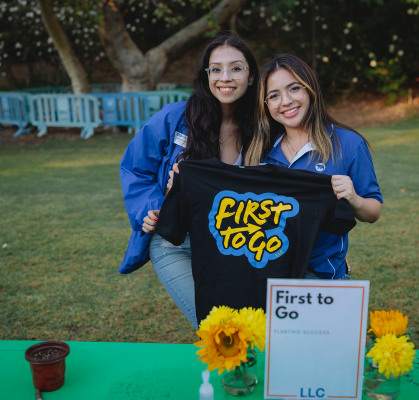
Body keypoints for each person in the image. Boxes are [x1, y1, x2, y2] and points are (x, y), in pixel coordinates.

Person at [119, 35, 258, 329]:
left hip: (231, 245)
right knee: (220, 330)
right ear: (206, 75)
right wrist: (154, 207)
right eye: (216, 69)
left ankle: (246, 375)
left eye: (236, 68)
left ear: (252, 76)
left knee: (248, 324)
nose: (225, 78)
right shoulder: (175, 117)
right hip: (176, 242)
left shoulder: (262, 129)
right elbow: (135, 169)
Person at [244, 54, 383, 280]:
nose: (286, 101)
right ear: (266, 104)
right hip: (265, 277)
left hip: (323, 278)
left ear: (310, 89)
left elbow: (373, 212)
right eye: (274, 95)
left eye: (294, 88)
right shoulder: (258, 150)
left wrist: (354, 198)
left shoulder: (348, 144)